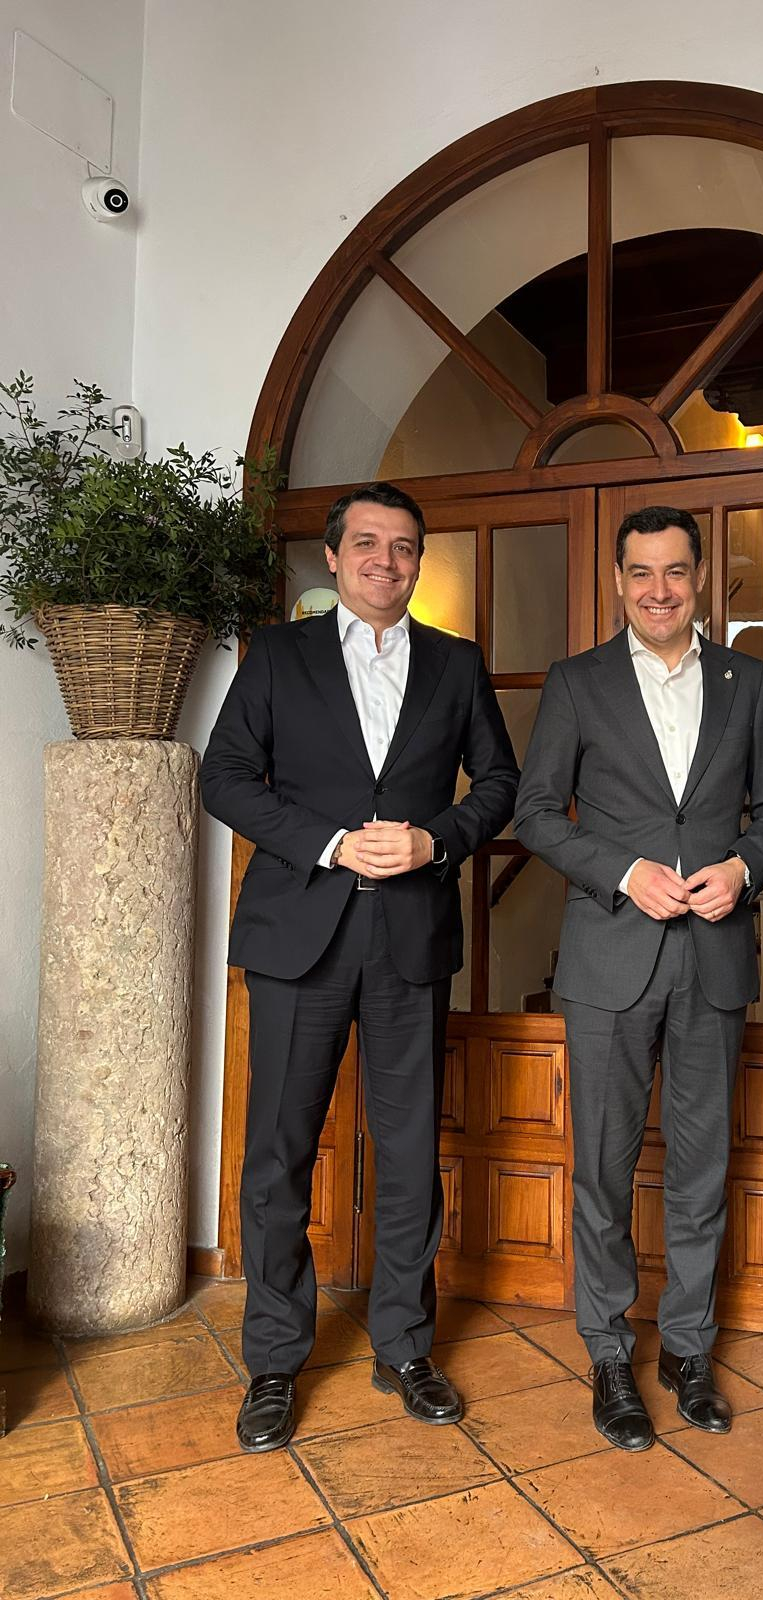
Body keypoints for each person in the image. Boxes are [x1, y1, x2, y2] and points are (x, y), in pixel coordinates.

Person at [201, 481, 518, 1453]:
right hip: (300, 933)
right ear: (333, 559)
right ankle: (273, 1359)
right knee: (279, 1157)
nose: (388, 560)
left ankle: (405, 1346)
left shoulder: (456, 665)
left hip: (411, 938)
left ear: (419, 562)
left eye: (405, 546)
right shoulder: (277, 657)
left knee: (410, 1149)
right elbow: (223, 777)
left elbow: (501, 782)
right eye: (369, 544)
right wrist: (332, 843)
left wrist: (438, 842)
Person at [515, 504, 763, 1451]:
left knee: (702, 1171)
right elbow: (537, 812)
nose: (659, 590)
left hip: (715, 958)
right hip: (607, 956)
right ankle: (607, 1356)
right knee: (601, 1168)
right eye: (641, 573)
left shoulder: (746, 681)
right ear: (620, 580)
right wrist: (622, 871)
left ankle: (685, 1350)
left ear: (700, 576)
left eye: (675, 571)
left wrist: (745, 866)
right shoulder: (577, 682)